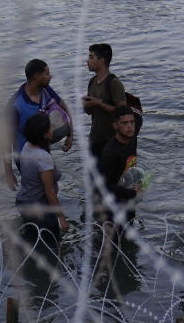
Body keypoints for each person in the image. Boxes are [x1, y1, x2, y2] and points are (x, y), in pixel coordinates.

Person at [13, 112, 68, 250]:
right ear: (44, 134)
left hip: (24, 203)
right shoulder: (43, 158)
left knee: (33, 243)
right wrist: (61, 217)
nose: (52, 129)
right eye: (50, 127)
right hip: (40, 209)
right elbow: (49, 192)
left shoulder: (27, 146)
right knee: (51, 246)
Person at [8, 59, 73, 161]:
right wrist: (9, 173)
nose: (50, 76)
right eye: (47, 74)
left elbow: (64, 107)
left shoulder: (45, 90)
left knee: (55, 176)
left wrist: (70, 134)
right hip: (25, 159)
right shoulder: (16, 104)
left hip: (44, 153)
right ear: (36, 76)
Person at [95, 106, 140, 224]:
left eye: (132, 122)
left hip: (128, 200)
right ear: (115, 126)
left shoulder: (132, 139)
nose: (130, 126)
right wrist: (132, 193)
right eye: (124, 123)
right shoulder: (110, 153)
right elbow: (103, 187)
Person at [81, 43, 127, 159]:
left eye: (91, 57)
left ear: (102, 61)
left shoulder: (114, 83)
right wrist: (86, 105)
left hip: (112, 140)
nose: (87, 61)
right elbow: (88, 112)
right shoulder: (92, 82)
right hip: (95, 138)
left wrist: (98, 103)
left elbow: (123, 112)